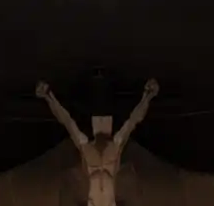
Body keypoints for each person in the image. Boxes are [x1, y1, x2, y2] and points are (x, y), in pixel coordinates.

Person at [34, 78, 159, 206]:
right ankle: (148, 95)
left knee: (72, 127)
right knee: (127, 127)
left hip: (93, 164)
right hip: (108, 162)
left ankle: (48, 95)